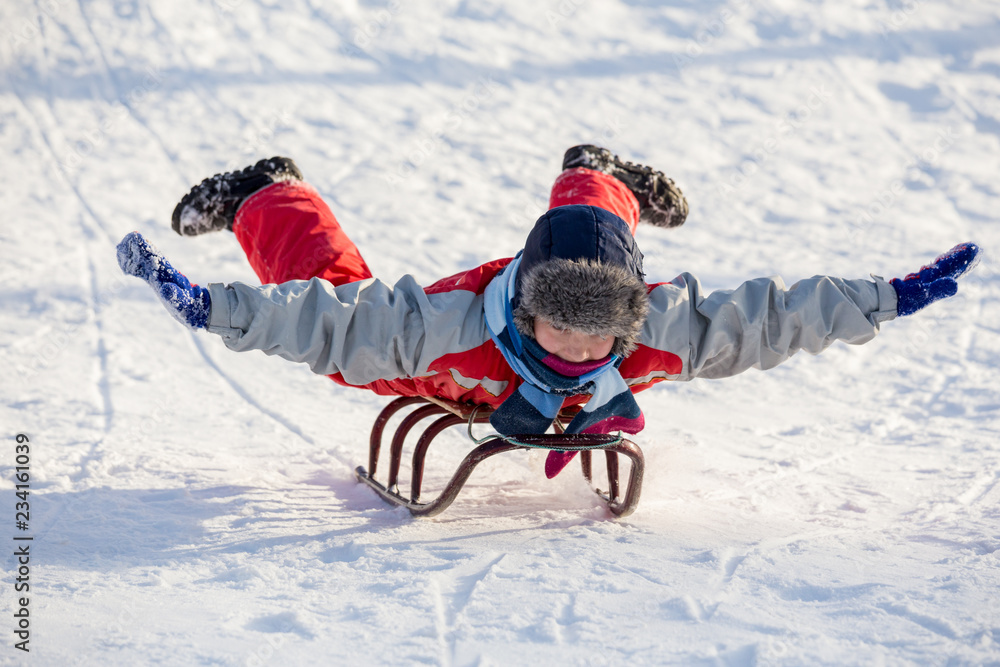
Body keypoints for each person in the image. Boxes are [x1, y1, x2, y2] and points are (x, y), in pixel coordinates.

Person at [116, 147, 980, 477]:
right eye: (557, 320)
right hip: (464, 365)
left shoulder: (654, 334)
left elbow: (770, 319)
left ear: (629, 323)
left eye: (597, 326)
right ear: (527, 312)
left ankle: (600, 172)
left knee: (597, 226)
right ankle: (269, 194)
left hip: (573, 301)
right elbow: (331, 323)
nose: (574, 340)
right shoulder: (447, 323)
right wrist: (214, 308)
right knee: (352, 339)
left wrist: (887, 299)